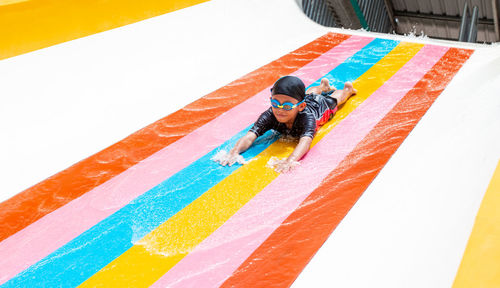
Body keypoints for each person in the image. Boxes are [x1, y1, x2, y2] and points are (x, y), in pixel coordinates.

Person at [215, 75, 357, 173]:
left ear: (301, 107)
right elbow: (249, 136)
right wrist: (234, 151)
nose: (280, 109)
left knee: (334, 100)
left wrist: (291, 160)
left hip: (319, 106)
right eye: (276, 103)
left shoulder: (307, 117)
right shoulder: (270, 114)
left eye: (287, 106)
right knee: (307, 93)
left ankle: (347, 90)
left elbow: (305, 142)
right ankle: (322, 86)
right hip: (303, 99)